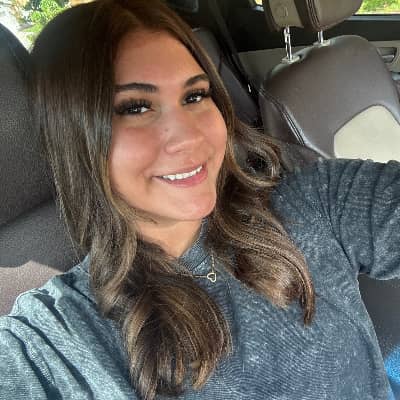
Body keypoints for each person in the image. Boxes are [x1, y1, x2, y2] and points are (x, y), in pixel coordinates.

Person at [0, 0, 399, 399]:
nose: (190, 137)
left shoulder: (311, 200)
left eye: (194, 96)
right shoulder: (57, 339)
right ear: (75, 136)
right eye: (136, 107)